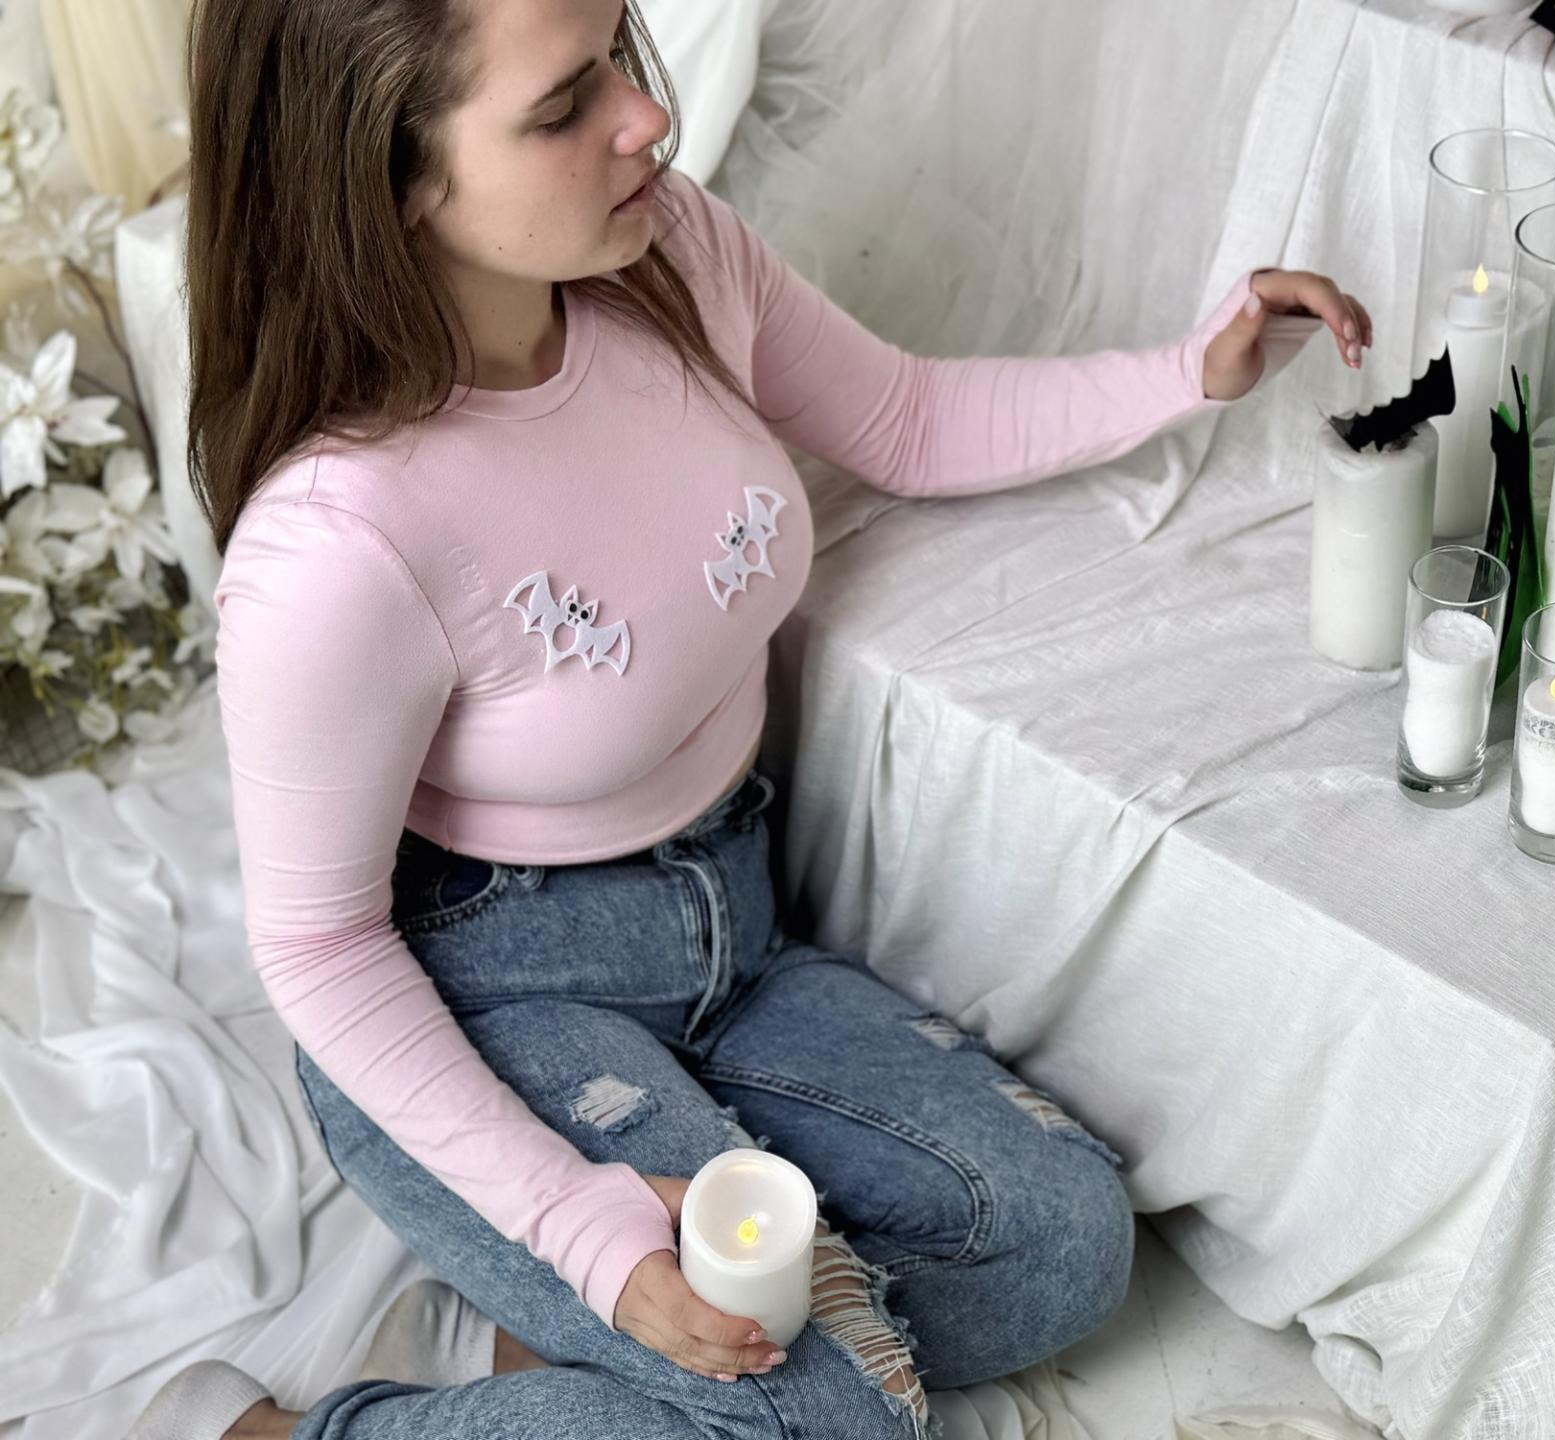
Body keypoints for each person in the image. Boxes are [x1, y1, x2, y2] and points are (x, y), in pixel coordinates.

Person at [128, 0, 1373, 1436]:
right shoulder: (336, 542)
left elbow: (904, 419)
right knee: (841, 1418)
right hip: (496, 995)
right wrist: (576, 1226)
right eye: (563, 106)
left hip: (735, 930)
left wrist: (1190, 370)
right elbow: (319, 946)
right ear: (391, 177)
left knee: (1060, 1246)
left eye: (617, 51)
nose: (646, 118)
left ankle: (598, 1370)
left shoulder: (672, 254)